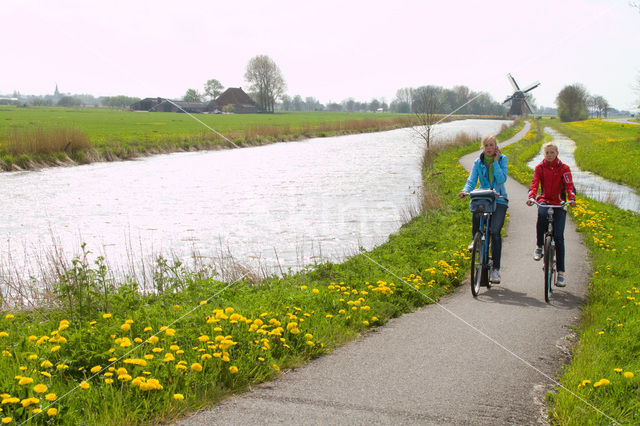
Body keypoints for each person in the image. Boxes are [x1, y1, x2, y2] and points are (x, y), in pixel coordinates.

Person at [459, 135, 509, 284]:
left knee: (495, 231)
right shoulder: (477, 162)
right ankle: (476, 240)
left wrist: (495, 163)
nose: (489, 148)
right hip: (483, 196)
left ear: (496, 147)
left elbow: (501, 180)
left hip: (499, 198)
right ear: (483, 147)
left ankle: (495, 270)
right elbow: (472, 179)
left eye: (491, 145)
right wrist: (465, 190)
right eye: (486, 145)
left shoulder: (502, 159)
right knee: (476, 211)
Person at [526, 141, 576, 287]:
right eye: (547, 152)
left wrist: (571, 199)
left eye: (552, 152)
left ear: (557, 153)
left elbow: (569, 186)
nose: (549, 155)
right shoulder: (539, 168)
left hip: (559, 204)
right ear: (544, 154)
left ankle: (560, 273)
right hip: (545, 200)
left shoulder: (564, 168)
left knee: (559, 237)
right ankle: (539, 246)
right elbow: (534, 183)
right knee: (541, 215)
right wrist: (531, 197)